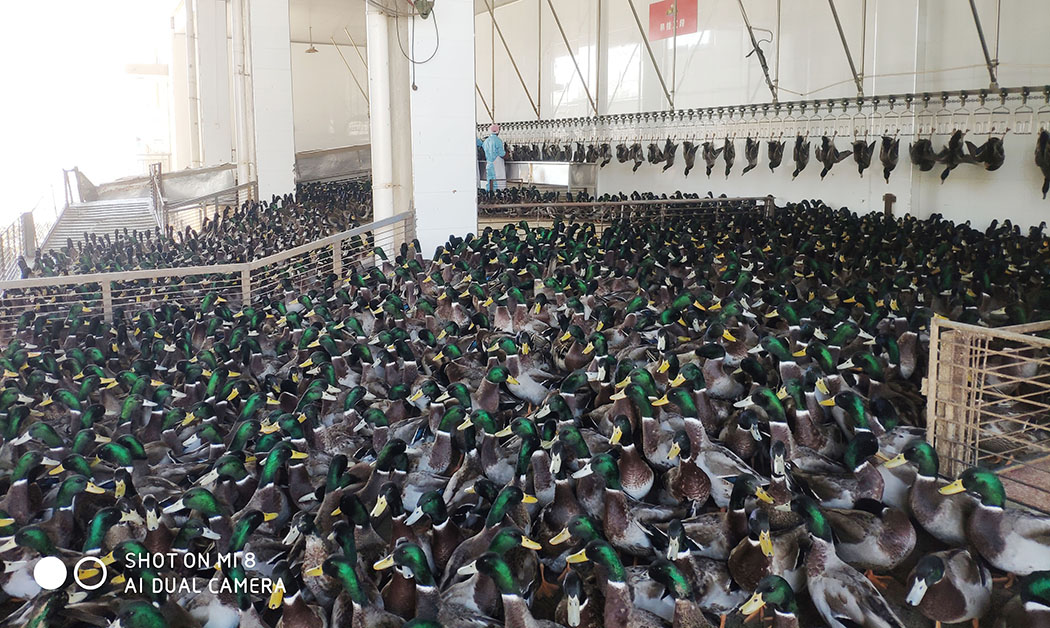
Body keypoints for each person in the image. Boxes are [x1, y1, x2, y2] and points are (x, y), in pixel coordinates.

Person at [482, 124, 506, 191]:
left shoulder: (486, 141)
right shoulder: (498, 140)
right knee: (498, 183)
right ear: (498, 131)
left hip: (489, 165)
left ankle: (490, 195)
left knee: (490, 182)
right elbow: (502, 154)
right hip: (497, 165)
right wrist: (508, 154)